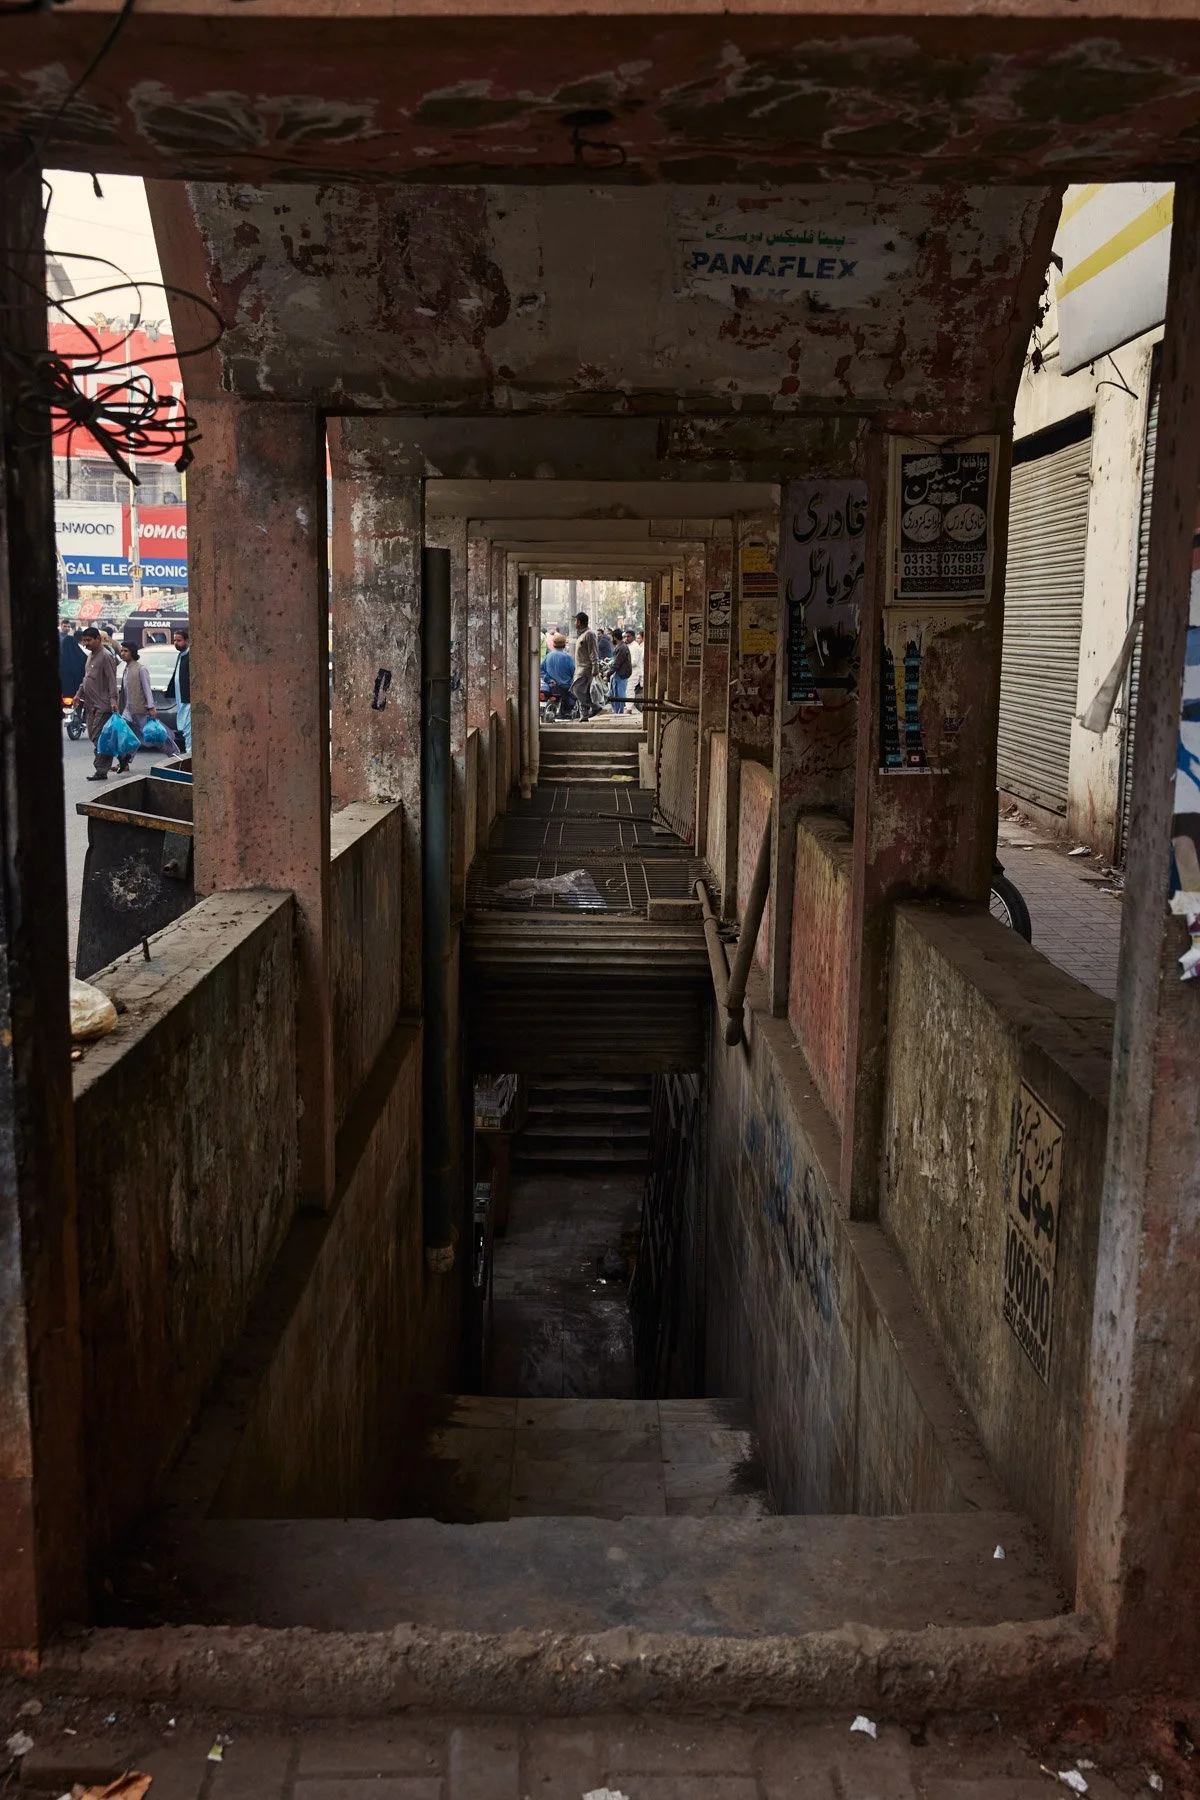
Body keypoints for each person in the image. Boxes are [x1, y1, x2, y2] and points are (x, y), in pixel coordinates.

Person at [76, 625, 119, 781]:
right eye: (84, 641)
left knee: (98, 738)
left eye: (89, 640)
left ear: (98, 639)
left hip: (103, 705)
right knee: (94, 737)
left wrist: (113, 701)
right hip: (90, 705)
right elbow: (86, 678)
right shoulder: (90, 656)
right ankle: (122, 755)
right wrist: (78, 694)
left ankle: (101, 770)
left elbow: (111, 681)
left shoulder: (106, 656)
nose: (86, 643)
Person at [116, 641, 157, 772]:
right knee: (127, 736)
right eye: (121, 651)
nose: (122, 653)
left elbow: (146, 689)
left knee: (154, 736)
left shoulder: (141, 669)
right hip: (127, 710)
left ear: (132, 653)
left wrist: (150, 706)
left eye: (126, 651)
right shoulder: (126, 668)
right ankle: (124, 762)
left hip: (139, 709)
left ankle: (174, 754)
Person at [570, 611, 601, 722]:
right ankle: (584, 715)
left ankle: (595, 707)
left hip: (586, 668)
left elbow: (593, 652)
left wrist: (595, 667)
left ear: (579, 622)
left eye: (576, 621)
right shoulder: (581, 635)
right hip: (579, 668)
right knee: (583, 691)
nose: (575, 623)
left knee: (577, 690)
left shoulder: (589, 634)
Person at [166, 625, 191, 752]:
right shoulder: (181, 656)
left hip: (188, 702)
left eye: (179, 640)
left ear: (187, 641)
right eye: (174, 640)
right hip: (181, 701)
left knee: (189, 732)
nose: (176, 643)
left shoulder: (190, 656)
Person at [541, 633, 575, 719]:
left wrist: (548, 679)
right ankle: (568, 712)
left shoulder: (548, 656)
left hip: (552, 686)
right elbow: (573, 672)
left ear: (553, 644)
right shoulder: (567, 657)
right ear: (564, 644)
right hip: (565, 687)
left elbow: (541, 670)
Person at [58, 621, 85, 698]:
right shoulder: (82, 656)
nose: (67, 628)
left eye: (68, 626)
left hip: (65, 691)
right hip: (79, 691)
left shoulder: (61, 660)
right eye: (65, 626)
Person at [609, 629, 632, 715]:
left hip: (621, 674)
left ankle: (620, 712)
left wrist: (607, 674)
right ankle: (617, 712)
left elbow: (617, 664)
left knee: (620, 694)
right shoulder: (619, 646)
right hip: (618, 673)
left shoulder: (622, 647)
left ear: (614, 637)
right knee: (614, 694)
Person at [629, 629, 645, 712]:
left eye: (639, 638)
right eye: (637, 638)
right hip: (639, 672)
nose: (638, 640)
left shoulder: (641, 648)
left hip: (639, 672)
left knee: (637, 693)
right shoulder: (639, 647)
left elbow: (638, 661)